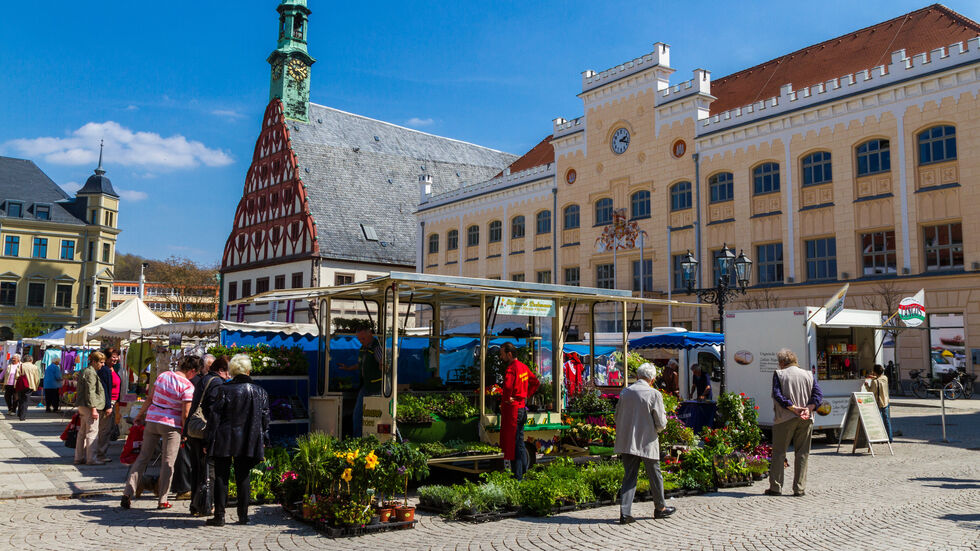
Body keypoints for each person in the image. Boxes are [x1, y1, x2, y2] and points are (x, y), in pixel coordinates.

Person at [120, 355, 199, 510]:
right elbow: (185, 414)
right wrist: (185, 431)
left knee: (143, 458)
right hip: (171, 425)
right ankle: (162, 499)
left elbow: (150, 398)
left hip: (152, 420)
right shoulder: (187, 386)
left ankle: (128, 492)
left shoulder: (163, 375)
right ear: (192, 371)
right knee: (168, 462)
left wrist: (139, 416)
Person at [205, 354, 270, 526]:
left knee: (221, 476)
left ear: (232, 371)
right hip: (247, 438)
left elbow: (214, 418)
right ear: (248, 371)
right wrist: (264, 439)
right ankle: (243, 516)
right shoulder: (259, 392)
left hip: (224, 437)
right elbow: (265, 420)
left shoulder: (223, 390)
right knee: (243, 476)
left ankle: (219, 516)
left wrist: (209, 439)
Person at [615, 363, 675, 524]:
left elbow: (617, 416)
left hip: (628, 440)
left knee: (629, 476)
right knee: (655, 475)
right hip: (647, 440)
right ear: (652, 379)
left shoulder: (625, 392)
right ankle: (660, 508)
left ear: (638, 376)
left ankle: (625, 513)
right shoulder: (654, 394)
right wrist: (657, 428)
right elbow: (661, 423)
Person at [766, 348, 822, 497]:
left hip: (785, 417)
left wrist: (793, 407)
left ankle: (776, 487)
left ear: (783, 362)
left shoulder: (779, 374)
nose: (778, 365)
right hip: (806, 418)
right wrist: (808, 408)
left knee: (779, 452)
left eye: (779, 362)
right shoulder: (809, 374)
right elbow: (818, 396)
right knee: (802, 453)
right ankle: (799, 488)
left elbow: (777, 395)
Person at [187, 356, 230, 516]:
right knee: (208, 471)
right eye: (228, 372)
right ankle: (205, 505)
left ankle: (194, 505)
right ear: (221, 371)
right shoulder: (217, 383)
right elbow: (213, 410)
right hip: (205, 431)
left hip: (194, 429)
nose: (229, 376)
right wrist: (211, 437)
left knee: (197, 470)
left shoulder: (204, 379)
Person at [498, 342, 539, 481]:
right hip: (522, 408)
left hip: (513, 410)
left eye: (502, 354)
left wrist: (506, 400)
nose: (501, 356)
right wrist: (526, 395)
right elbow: (536, 382)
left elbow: (508, 386)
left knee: (514, 444)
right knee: (520, 443)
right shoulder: (523, 367)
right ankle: (521, 475)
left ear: (509, 354)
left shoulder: (511, 368)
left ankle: (518, 477)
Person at [346, 323, 382, 438]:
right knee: (357, 415)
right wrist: (348, 368)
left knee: (374, 416)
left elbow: (384, 363)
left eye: (363, 338)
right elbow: (360, 364)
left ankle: (373, 440)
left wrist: (383, 365)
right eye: (359, 339)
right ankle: (357, 440)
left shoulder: (377, 347)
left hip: (377, 388)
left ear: (370, 334)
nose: (361, 341)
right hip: (366, 386)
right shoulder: (363, 348)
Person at [75, 352, 107, 465]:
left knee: (82, 432)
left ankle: (79, 457)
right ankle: (91, 458)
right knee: (92, 432)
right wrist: (94, 409)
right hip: (89, 406)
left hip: (83, 405)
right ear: (94, 362)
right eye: (101, 362)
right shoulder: (91, 373)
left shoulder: (85, 370)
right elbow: (90, 391)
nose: (103, 365)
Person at [94, 348, 122, 463]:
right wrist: (107, 406)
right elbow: (104, 389)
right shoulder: (104, 370)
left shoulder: (113, 369)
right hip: (108, 402)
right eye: (113, 356)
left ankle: (100, 452)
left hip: (113, 402)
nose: (115, 359)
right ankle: (100, 454)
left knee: (107, 429)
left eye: (117, 356)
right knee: (104, 430)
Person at [864, 364, 892, 443]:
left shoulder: (875, 382)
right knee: (887, 420)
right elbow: (879, 379)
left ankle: (880, 438)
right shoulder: (885, 378)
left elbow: (871, 392)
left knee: (879, 421)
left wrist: (866, 385)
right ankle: (890, 438)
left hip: (878, 403)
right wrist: (874, 377)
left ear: (875, 372)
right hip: (886, 402)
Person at [13, 355, 41, 421]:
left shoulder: (20, 366)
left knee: (20, 399)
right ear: (31, 360)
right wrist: (36, 386)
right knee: (25, 400)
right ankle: (22, 416)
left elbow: (16, 376)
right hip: (30, 385)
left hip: (21, 385)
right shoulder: (35, 367)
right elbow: (37, 378)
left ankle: (20, 413)